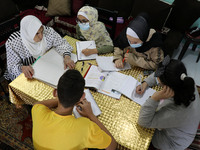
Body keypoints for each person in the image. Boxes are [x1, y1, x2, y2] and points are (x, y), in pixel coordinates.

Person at [32, 69, 117, 150]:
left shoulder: (37, 111)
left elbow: (37, 104)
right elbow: (112, 145)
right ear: (82, 97)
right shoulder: (86, 127)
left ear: (55, 92)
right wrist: (91, 115)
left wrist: (64, 96)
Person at [136, 56, 200, 150]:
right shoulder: (185, 81)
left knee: (144, 133)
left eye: (160, 84)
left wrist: (154, 98)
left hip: (173, 142)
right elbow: (162, 74)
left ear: (167, 88)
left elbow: (143, 121)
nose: (158, 82)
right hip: (183, 125)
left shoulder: (176, 112)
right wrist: (145, 83)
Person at [5, 15, 75, 81]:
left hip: (48, 67)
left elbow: (61, 43)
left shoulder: (47, 31)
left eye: (41, 31)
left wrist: (67, 57)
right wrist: (22, 68)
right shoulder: (13, 43)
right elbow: (12, 66)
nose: (41, 36)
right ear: (28, 33)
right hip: (31, 74)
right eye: (37, 33)